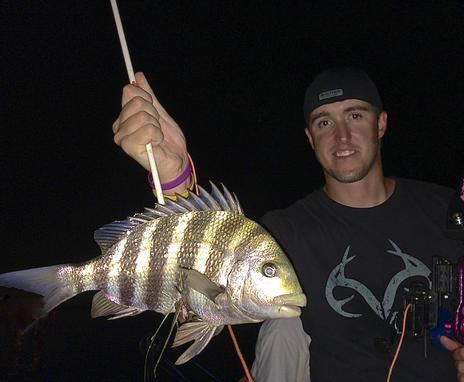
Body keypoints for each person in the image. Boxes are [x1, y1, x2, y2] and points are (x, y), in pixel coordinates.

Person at [112, 68, 464, 381]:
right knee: (283, 328)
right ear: (311, 137)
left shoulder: (447, 209)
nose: (341, 136)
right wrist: (174, 174)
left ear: (381, 123)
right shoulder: (282, 234)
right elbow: (195, 258)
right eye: (324, 122)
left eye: (355, 115)